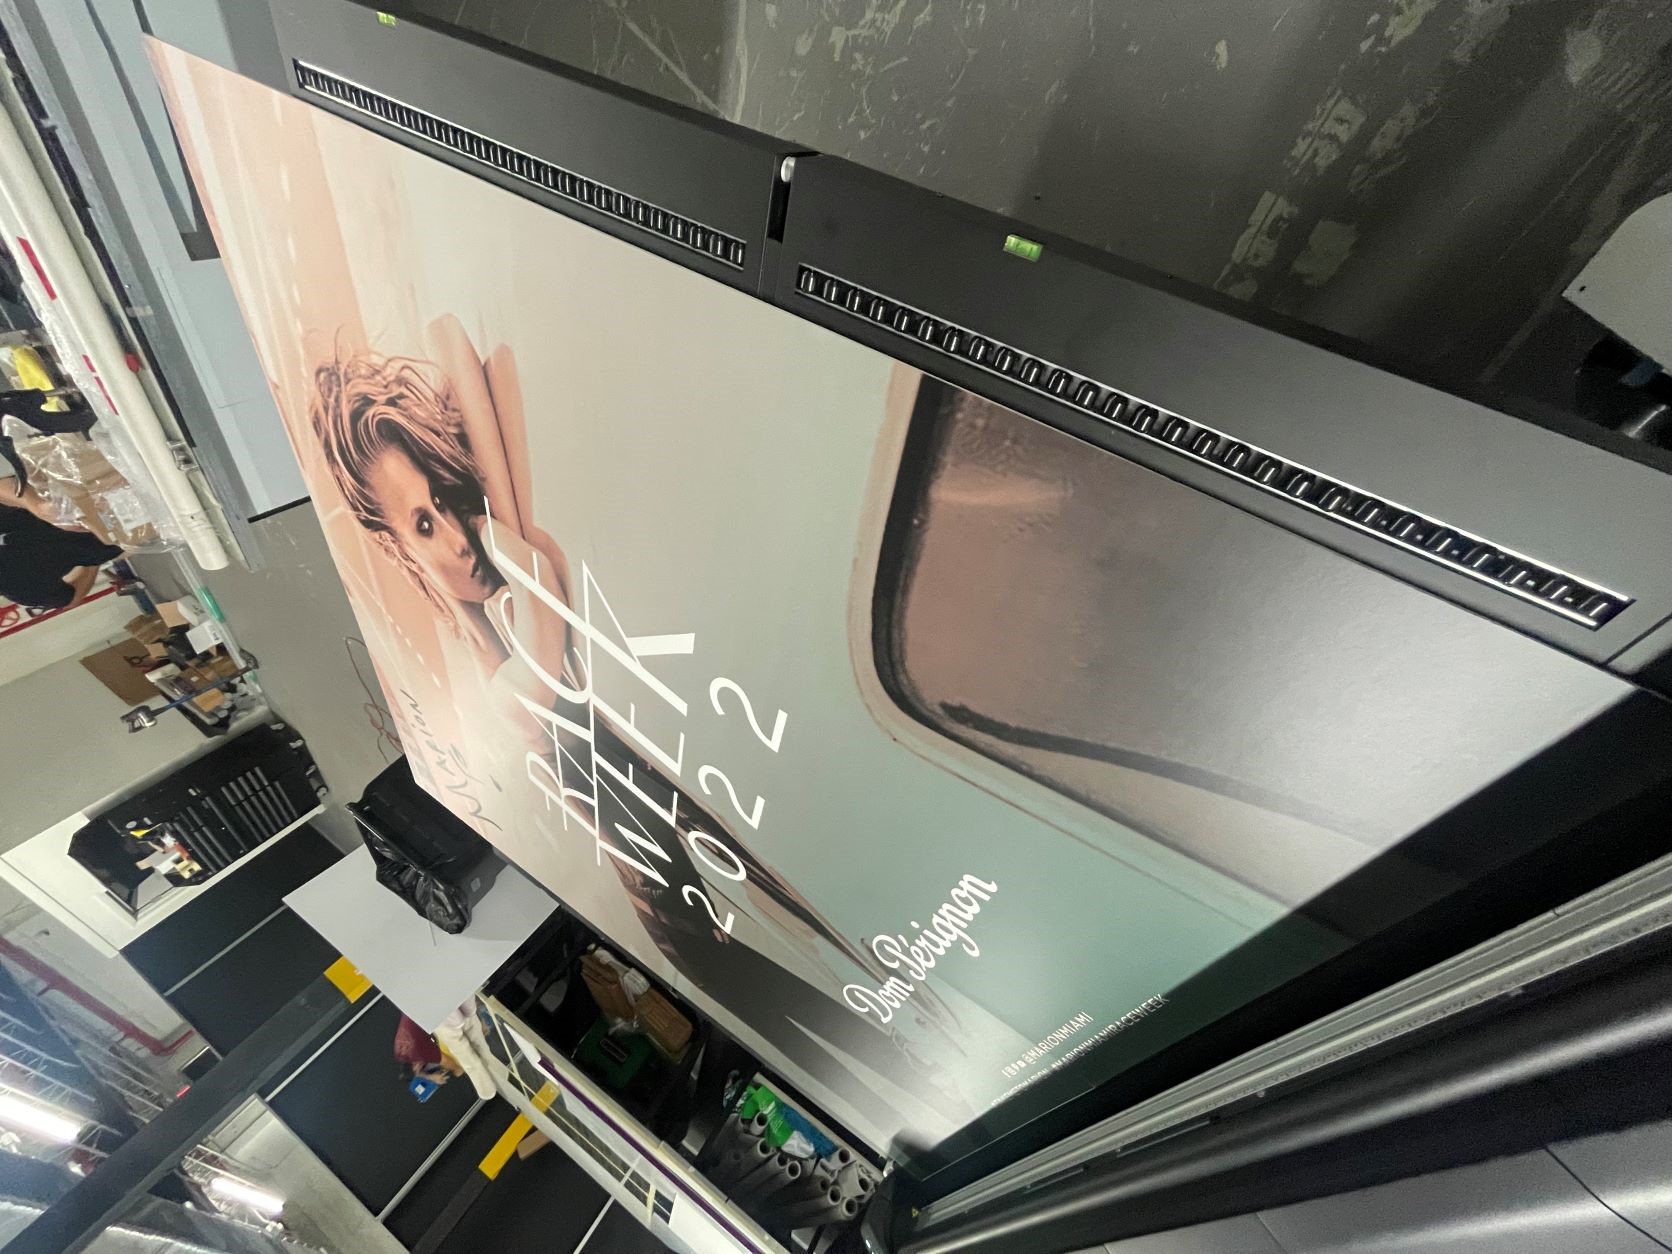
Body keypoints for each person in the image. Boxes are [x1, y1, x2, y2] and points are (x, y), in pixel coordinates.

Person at [0, 473, 120, 610]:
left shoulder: (20, 591)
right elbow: (71, 601)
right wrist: (92, 562)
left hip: (79, 483)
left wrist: (36, 505)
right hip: (116, 532)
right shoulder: (20, 590)